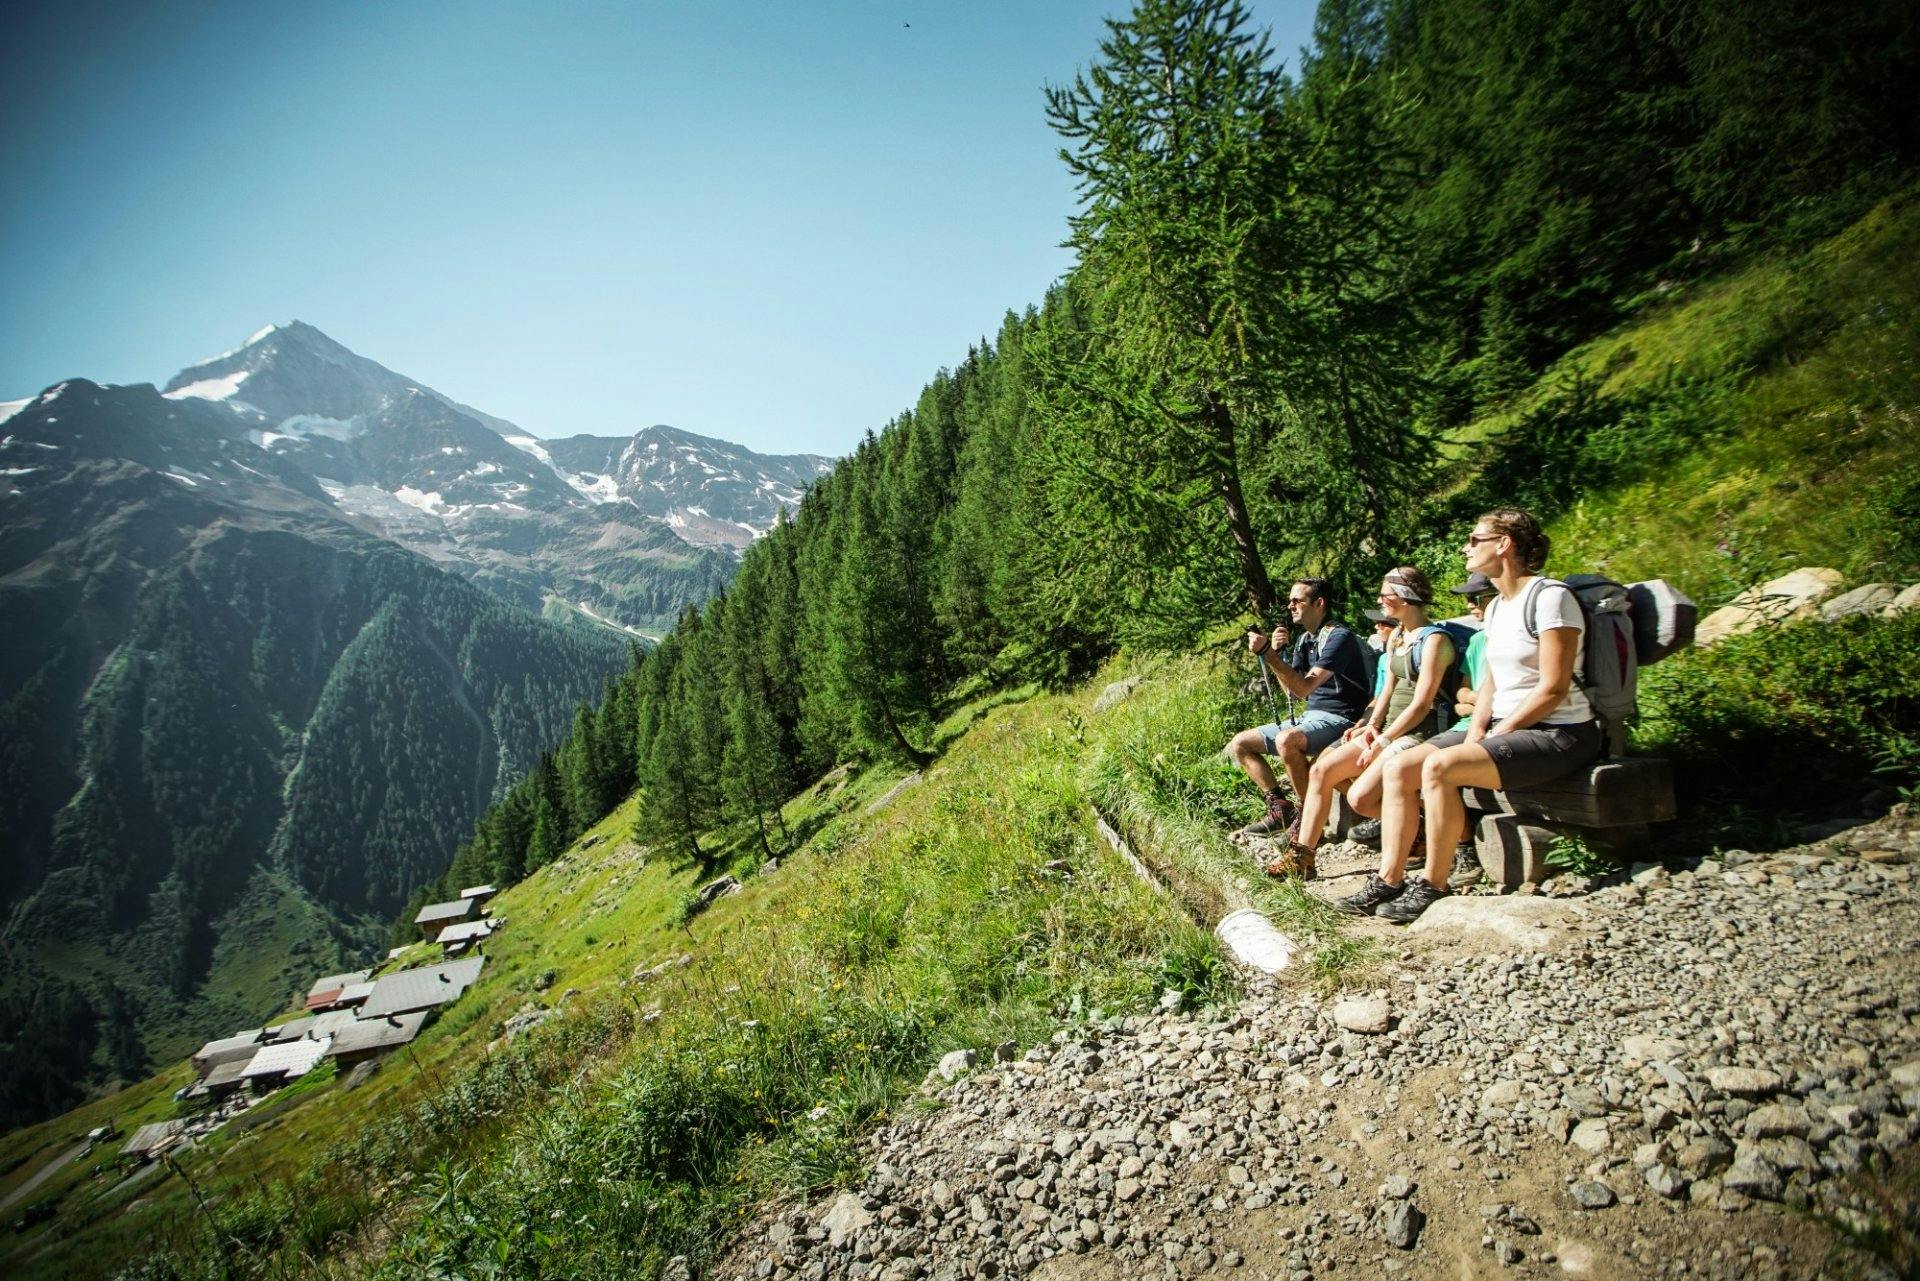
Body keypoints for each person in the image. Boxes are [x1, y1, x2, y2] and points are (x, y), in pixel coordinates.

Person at [1341, 509, 1602, 922]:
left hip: (1559, 732)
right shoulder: (1497, 608)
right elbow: (1492, 685)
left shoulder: (1550, 598)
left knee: (1440, 768)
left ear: (1504, 544)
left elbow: (1552, 689)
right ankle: (1389, 879)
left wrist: (1499, 732)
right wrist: (1479, 728)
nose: (1466, 546)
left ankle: (1433, 883)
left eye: (1474, 539)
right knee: (1400, 768)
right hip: (1504, 726)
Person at [1265, 568, 1457, 879]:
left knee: (1360, 799)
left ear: (1405, 597)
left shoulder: (1434, 641)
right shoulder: (1397, 636)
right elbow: (1386, 692)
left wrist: (1383, 739)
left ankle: (1418, 829)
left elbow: (1422, 704)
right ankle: (1303, 856)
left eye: (1386, 594)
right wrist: (1371, 726)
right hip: (1386, 728)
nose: (1380, 599)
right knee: (1321, 770)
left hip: (1420, 730)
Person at [1228, 578, 1372, 854]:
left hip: (1341, 717)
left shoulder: (1338, 637)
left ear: (1319, 603)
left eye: (1297, 600)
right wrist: (1278, 654)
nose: (1290, 605)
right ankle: (1280, 809)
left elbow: (1305, 686)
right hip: (1312, 716)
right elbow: (1294, 693)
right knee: (1241, 744)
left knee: (1287, 741)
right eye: (1290, 600)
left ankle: (1307, 821)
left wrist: (1268, 654)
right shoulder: (1306, 640)